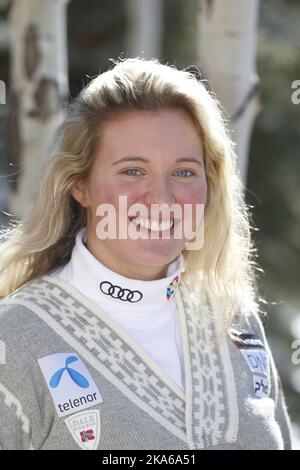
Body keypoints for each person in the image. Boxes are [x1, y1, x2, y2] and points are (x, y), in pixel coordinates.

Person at [0, 57, 292, 450]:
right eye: (133, 171)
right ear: (79, 186)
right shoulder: (17, 338)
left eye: (184, 172)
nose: (162, 199)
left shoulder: (232, 317)